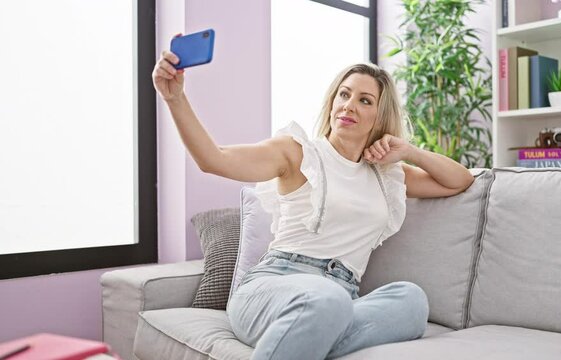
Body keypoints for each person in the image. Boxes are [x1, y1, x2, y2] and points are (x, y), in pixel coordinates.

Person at [153, 47, 474, 360]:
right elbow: (214, 159)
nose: (349, 106)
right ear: (332, 101)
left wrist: (410, 152)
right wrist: (175, 97)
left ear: (380, 117)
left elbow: (460, 180)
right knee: (328, 300)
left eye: (364, 101)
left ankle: (311, 335)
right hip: (274, 287)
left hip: (341, 294)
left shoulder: (387, 176)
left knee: (411, 300)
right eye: (344, 95)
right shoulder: (298, 153)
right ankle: (314, 327)